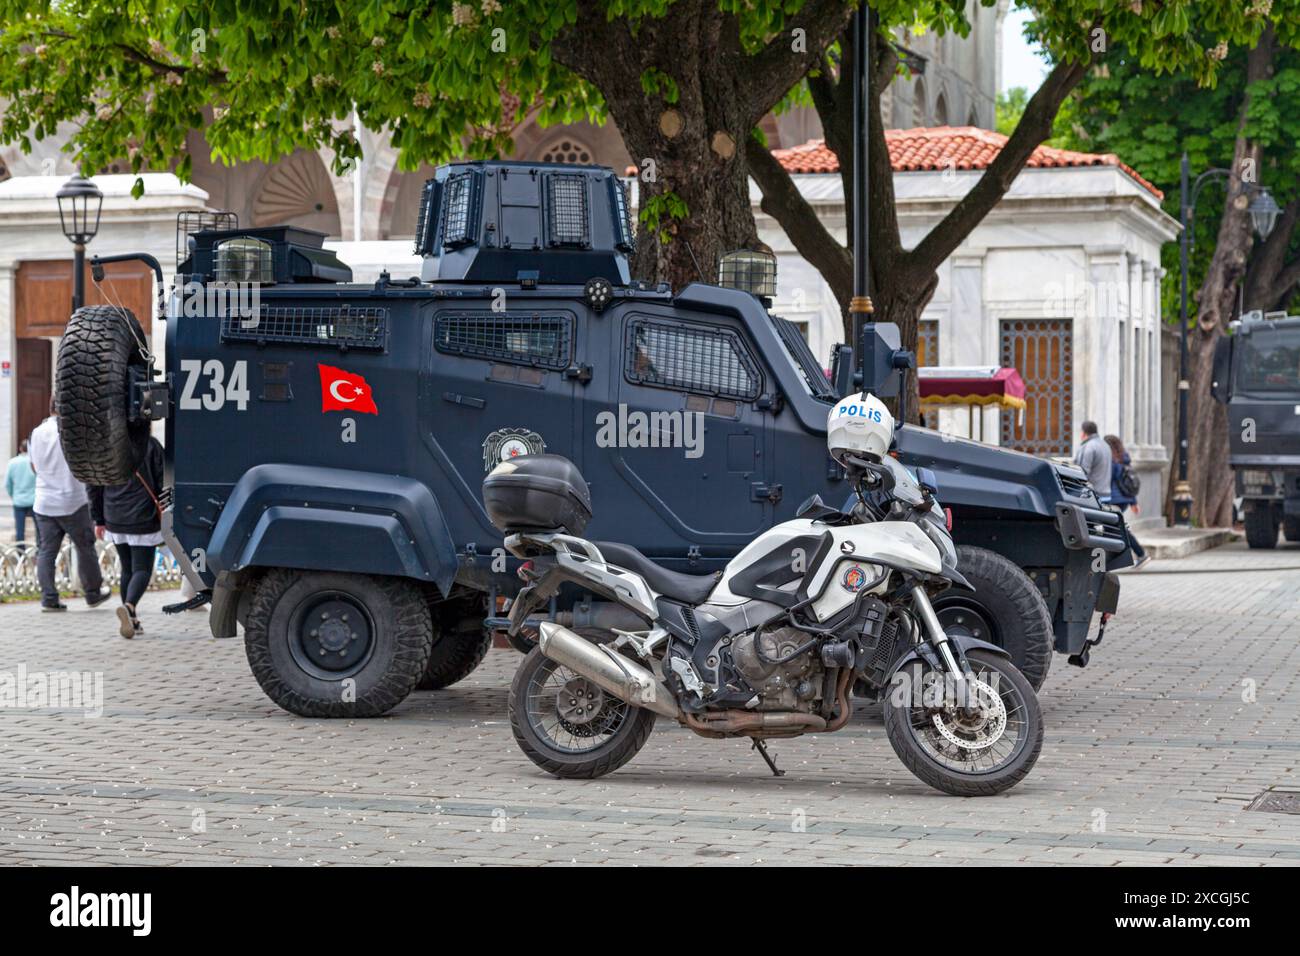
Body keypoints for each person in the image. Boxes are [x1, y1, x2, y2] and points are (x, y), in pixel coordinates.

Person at [29, 397, 109, 612]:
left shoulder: (36, 432)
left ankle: (48, 598)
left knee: (46, 551)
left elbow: (34, 465)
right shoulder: (73, 432)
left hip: (44, 502)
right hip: (73, 500)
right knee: (85, 548)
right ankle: (92, 593)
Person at [90, 436, 165, 639]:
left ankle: (132, 621)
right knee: (142, 569)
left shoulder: (106, 444)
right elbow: (163, 478)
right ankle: (130, 607)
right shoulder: (150, 444)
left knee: (127, 569)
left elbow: (94, 485)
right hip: (143, 515)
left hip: (114, 514)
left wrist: (98, 518)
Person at [1104, 434, 1151, 570]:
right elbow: (1128, 482)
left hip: (1114, 499)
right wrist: (1133, 502)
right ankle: (1135, 555)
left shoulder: (1112, 462)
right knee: (1116, 528)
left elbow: (1110, 480)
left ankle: (1140, 554)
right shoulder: (1124, 458)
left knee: (1117, 528)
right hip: (1124, 499)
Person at [5, 439, 38, 550]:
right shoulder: (34, 462)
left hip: (18, 501)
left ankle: (21, 555)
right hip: (34, 500)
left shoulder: (12, 463)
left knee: (20, 530)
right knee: (39, 529)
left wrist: (13, 495)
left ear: (20, 449)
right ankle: (39, 552)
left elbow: (7, 483)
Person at [1074, 420, 1111, 500]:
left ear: (1084, 433)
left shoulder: (1088, 446)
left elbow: (1081, 472)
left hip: (1092, 497)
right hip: (1106, 495)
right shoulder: (1105, 445)